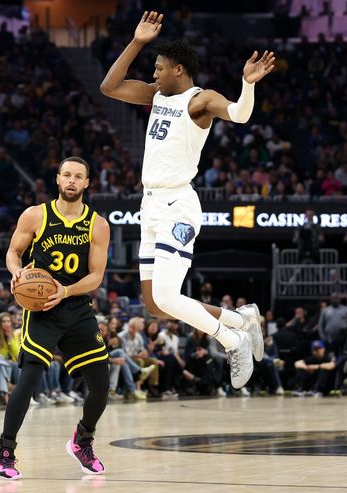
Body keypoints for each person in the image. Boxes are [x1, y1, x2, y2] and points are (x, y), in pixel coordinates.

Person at [100, 11, 272, 388]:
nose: (155, 73)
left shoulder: (200, 100)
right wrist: (137, 42)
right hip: (149, 205)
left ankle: (233, 338)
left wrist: (247, 84)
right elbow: (109, 87)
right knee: (154, 305)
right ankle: (241, 319)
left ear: (179, 69)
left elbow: (240, 115)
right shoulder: (156, 94)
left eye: (160, 68)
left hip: (179, 204)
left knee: (167, 294)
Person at [0, 155, 112, 481]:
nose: (72, 181)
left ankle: (82, 440)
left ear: (86, 184)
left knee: (101, 385)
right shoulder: (35, 215)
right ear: (58, 180)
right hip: (41, 308)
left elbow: (96, 276)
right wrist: (17, 274)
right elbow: (13, 253)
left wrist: (67, 290)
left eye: (78, 176)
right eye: (66, 175)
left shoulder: (98, 224)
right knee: (29, 379)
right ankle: (5, 452)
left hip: (75, 306)